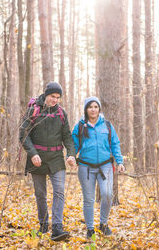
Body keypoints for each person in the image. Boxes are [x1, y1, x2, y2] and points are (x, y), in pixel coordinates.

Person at [19, 82, 76, 241]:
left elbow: (67, 137)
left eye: (58, 98)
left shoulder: (61, 113)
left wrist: (71, 154)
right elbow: (23, 134)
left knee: (59, 191)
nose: (55, 100)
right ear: (46, 95)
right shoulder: (33, 111)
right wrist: (32, 154)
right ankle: (43, 225)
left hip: (56, 158)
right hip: (37, 158)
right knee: (40, 194)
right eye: (53, 96)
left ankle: (57, 228)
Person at [70, 96, 125, 239]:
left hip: (105, 166)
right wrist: (70, 157)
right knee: (88, 199)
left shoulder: (107, 125)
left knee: (107, 195)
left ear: (99, 109)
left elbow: (115, 144)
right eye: (90, 107)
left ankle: (103, 224)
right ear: (86, 109)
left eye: (95, 107)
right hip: (85, 167)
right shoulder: (80, 125)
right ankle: (90, 229)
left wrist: (119, 162)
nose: (93, 109)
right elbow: (73, 145)